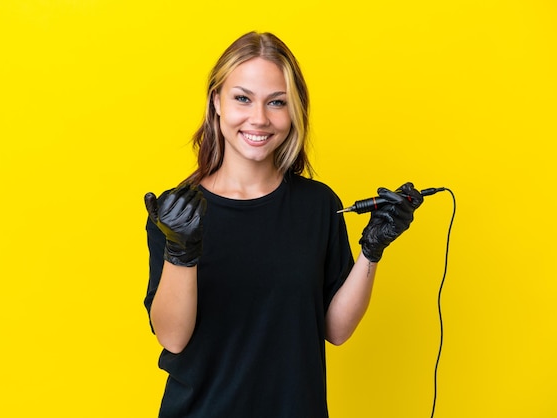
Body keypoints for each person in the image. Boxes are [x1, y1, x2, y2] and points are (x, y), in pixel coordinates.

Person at [143, 31, 423, 418]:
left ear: (294, 111)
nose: (259, 118)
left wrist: (371, 251)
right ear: (217, 102)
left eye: (277, 102)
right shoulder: (178, 212)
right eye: (242, 98)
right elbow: (172, 338)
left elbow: (336, 331)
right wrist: (180, 253)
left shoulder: (318, 204)